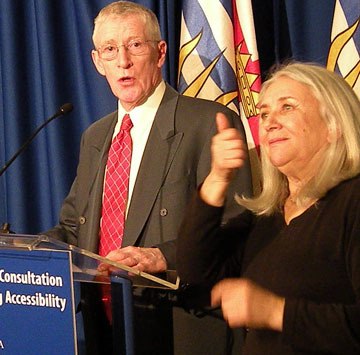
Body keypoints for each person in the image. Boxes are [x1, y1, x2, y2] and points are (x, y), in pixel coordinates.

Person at [43, 1, 252, 354]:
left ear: (160, 53)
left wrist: (163, 256)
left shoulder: (206, 123)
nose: (122, 60)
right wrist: (26, 256)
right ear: (97, 62)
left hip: (180, 326)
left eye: (135, 46)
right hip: (106, 328)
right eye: (110, 49)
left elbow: (237, 226)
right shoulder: (95, 137)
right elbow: (74, 229)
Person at [177, 62, 360, 354]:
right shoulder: (266, 218)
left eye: (287, 107)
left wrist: (274, 312)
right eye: (263, 113)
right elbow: (195, 275)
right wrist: (218, 178)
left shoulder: (352, 202)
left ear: (334, 125)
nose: (270, 122)